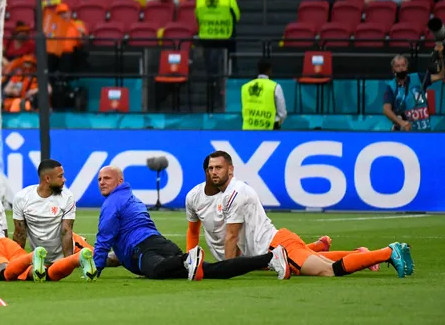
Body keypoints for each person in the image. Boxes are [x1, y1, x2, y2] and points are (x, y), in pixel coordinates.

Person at [192, 151, 411, 278]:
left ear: (230, 169)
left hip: (278, 248)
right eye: (210, 168)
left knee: (328, 271)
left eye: (218, 168)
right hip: (277, 245)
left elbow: (231, 236)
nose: (213, 172)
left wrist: (227, 270)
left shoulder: (234, 193)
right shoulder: (231, 191)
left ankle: (387, 252)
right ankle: (362, 253)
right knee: (323, 260)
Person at [93, 164, 286, 280]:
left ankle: (187, 259)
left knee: (156, 271)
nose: (102, 182)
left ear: (119, 181)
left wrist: (96, 268)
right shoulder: (132, 199)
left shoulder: (112, 203)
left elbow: (104, 237)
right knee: (211, 271)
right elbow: (126, 241)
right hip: (161, 244)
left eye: (107, 178)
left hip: (144, 250)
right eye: (99, 179)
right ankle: (271, 258)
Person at [0, 158, 94, 282]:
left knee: (2, 274)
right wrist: (9, 253)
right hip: (6, 244)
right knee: (40, 274)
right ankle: (76, 258)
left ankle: (31, 256)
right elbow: (5, 231)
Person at [12, 160, 92, 265]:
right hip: (40, 255)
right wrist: (16, 261)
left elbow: (66, 231)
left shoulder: (67, 197)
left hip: (73, 248)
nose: (64, 180)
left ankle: (116, 257)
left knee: (101, 259)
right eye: (60, 176)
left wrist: (68, 263)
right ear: (48, 179)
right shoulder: (22, 198)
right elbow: (19, 233)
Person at [383, 54, 438, 131]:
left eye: (403, 65)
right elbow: (386, 110)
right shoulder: (391, 86)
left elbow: (440, 76)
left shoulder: (418, 77)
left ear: (407, 67)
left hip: (425, 131)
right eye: (397, 66)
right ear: (393, 70)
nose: (401, 68)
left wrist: (441, 57)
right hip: (406, 133)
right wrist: (401, 122)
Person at [241, 59, 287, 130]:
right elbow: (282, 113)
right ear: (269, 70)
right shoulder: (275, 87)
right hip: (270, 129)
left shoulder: (245, 87)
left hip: (248, 129)